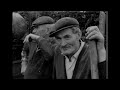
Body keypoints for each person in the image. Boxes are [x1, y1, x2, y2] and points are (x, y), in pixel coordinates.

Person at [24, 17, 106, 79]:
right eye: (58, 38)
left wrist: (101, 50)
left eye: (67, 37)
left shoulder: (92, 54)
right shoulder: (57, 51)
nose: (62, 44)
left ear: (78, 34)